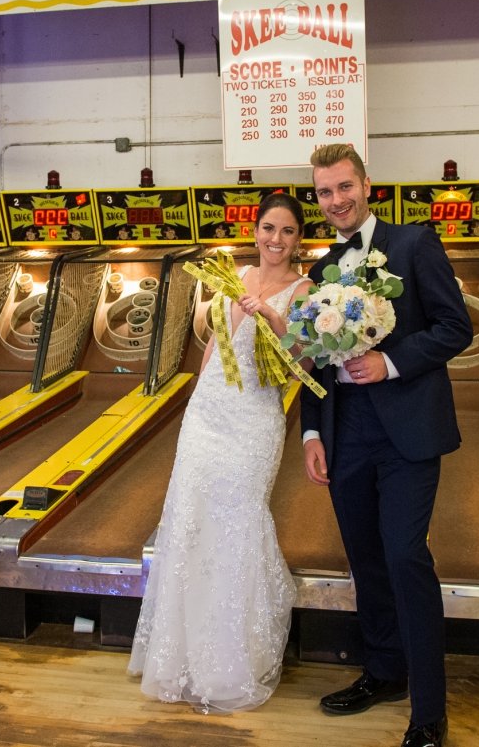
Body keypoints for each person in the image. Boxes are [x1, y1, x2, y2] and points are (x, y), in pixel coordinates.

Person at [302, 146, 472, 747]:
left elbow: (456, 327)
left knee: (405, 557)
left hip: (408, 433)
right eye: (324, 192)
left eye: (344, 186)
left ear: (366, 184)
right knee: (366, 559)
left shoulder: (413, 244)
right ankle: (383, 671)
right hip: (347, 433)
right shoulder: (322, 268)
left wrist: (392, 362)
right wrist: (313, 432)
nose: (336, 200)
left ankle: (429, 710)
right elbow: (313, 359)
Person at [129, 192, 312, 712]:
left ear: (299, 239)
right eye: (268, 228)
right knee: (192, 523)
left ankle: (232, 660)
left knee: (238, 523)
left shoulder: (305, 290)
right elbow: (215, 342)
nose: (275, 240)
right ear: (255, 230)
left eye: (287, 231)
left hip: (255, 419)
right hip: (208, 414)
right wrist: (195, 402)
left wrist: (275, 321)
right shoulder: (235, 276)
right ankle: (180, 657)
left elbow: (300, 358)